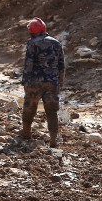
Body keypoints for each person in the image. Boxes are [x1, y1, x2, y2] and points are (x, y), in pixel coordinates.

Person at [21, 17, 65, 147]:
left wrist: (25, 82)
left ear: (33, 31)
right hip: (52, 82)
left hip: (35, 82)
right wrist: (60, 82)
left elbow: (28, 65)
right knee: (51, 110)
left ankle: (26, 132)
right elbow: (61, 66)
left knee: (29, 107)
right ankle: (53, 139)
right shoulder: (57, 43)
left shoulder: (32, 44)